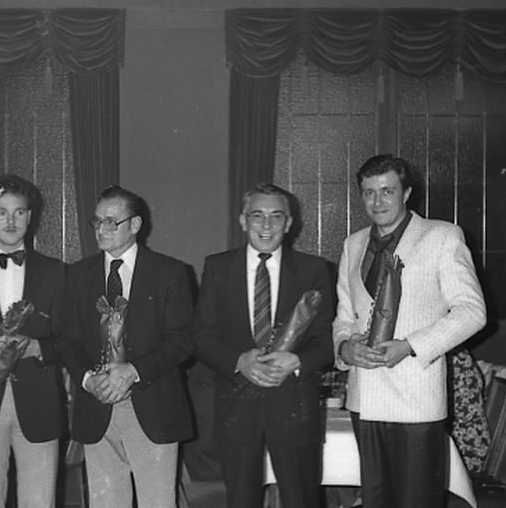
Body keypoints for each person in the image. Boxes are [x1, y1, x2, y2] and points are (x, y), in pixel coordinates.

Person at [333, 155, 486, 508]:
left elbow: (472, 311)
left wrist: (411, 345)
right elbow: (343, 317)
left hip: (416, 401)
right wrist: (345, 348)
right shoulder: (353, 244)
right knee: (375, 501)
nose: (377, 201)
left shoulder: (441, 236)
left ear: (406, 193)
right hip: (365, 399)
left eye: (387, 191)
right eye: (369, 192)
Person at [193, 183, 334, 508]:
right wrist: (239, 361)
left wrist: (296, 361)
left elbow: (327, 338)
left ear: (289, 223)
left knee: (302, 500)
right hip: (236, 406)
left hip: (295, 403)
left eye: (276, 216)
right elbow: (201, 337)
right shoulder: (218, 267)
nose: (266, 225)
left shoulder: (314, 270)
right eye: (257, 215)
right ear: (243, 220)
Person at [61, 185, 194, 508]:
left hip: (152, 404)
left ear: (135, 225)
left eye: (112, 222)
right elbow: (66, 340)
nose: (102, 229)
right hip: (97, 407)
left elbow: (182, 340)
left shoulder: (170, 272)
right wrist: (88, 380)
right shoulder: (77, 275)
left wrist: (132, 371)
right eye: (97, 222)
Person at [0, 174, 67, 508]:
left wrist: (38, 347)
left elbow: (71, 338)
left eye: (19, 212)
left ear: (29, 217)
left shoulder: (56, 272)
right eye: (1, 212)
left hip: (39, 403)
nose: (10, 221)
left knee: (40, 502)